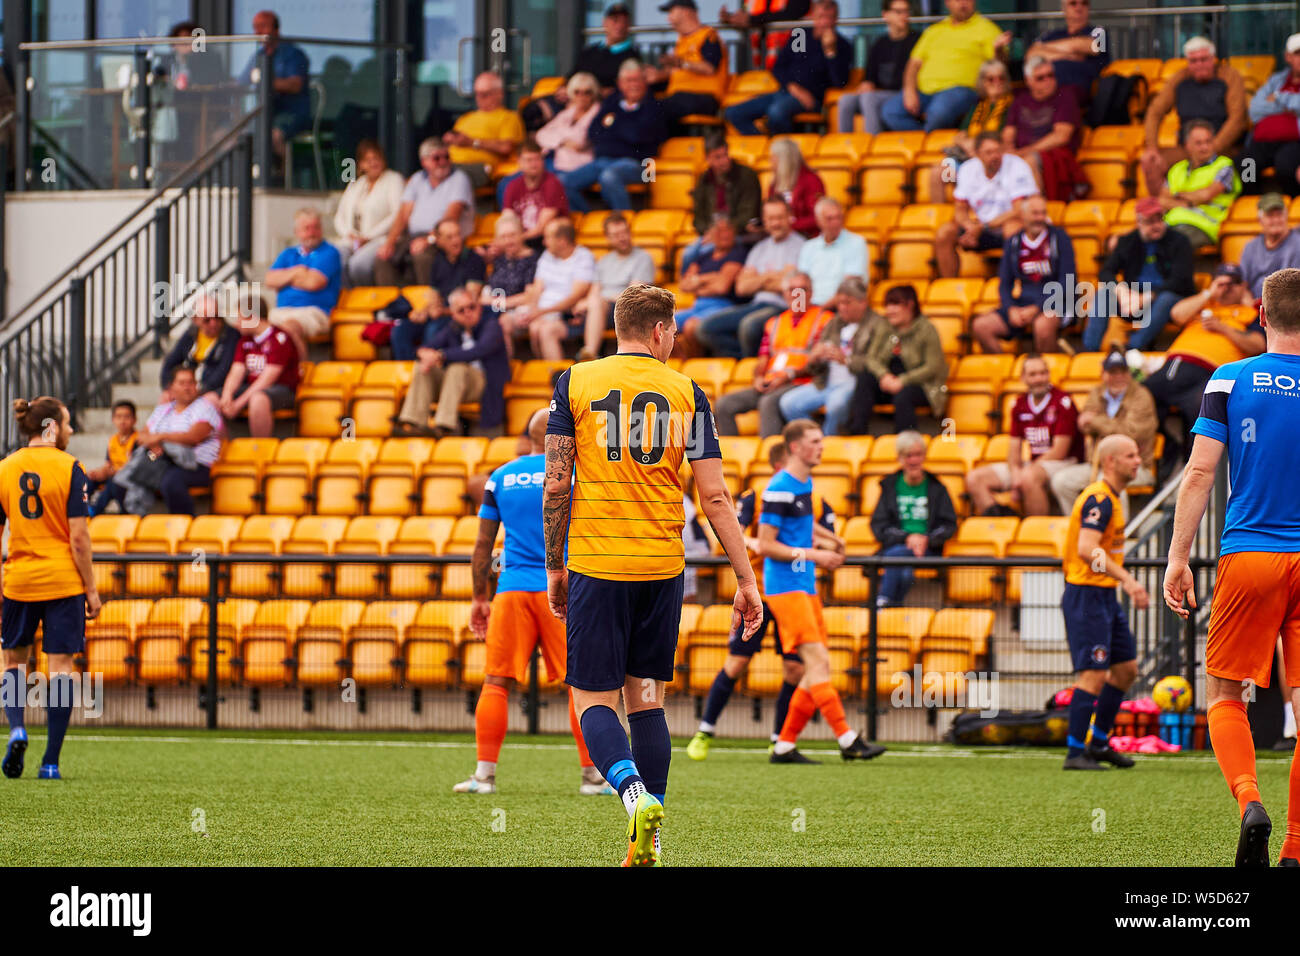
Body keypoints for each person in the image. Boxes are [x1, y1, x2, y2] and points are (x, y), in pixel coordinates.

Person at [543, 282, 763, 867]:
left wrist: (555, 566)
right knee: (647, 701)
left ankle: (632, 794)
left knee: (594, 697)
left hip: (597, 561)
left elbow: (558, 483)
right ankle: (652, 843)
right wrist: (746, 581)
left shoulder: (575, 381)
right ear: (661, 332)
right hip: (662, 567)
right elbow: (715, 497)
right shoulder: (688, 391)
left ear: (618, 327)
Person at [1164, 268, 1300, 866]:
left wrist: (1177, 558)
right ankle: (1296, 847)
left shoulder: (1228, 377)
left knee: (1223, 691)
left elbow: (1198, 474)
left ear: (1261, 317)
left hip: (1248, 553)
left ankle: (1250, 801)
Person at [453, 409, 612, 796]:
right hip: (566, 590)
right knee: (582, 686)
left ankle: (484, 777)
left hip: (511, 589)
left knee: (496, 682)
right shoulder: (578, 474)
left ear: (528, 437)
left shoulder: (501, 476)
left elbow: (482, 546)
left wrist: (479, 596)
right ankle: (593, 777)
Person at [686, 438, 845, 760]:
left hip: (791, 591)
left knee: (794, 669)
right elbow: (735, 531)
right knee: (738, 662)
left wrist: (831, 542)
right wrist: (757, 542)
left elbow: (808, 532)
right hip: (756, 588)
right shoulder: (759, 497)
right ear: (780, 465)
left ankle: (778, 739)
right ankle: (705, 730)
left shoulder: (814, 500)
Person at [762, 419, 885, 764]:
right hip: (786, 588)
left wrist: (830, 538)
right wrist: (818, 553)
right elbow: (768, 545)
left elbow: (800, 525)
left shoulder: (802, 483)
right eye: (815, 442)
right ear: (796, 447)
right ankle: (847, 738)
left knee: (816, 666)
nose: (821, 446)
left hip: (804, 584)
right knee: (818, 662)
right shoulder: (779, 488)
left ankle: (784, 745)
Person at [0, 396, 101, 782]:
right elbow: (79, 537)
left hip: (20, 581)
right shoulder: (71, 467)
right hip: (63, 582)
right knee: (60, 670)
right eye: (69, 424)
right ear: (52, 428)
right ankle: (50, 762)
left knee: (13, 662)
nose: (72, 431)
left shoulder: (5, 468)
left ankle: (17, 729)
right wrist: (91, 590)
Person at [1060, 434, 1149, 771]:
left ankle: (1098, 743)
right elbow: (1086, 548)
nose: (1138, 461)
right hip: (1086, 596)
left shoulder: (1112, 497)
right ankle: (1074, 753)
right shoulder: (1100, 498)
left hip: (1103, 595)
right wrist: (1127, 579)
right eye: (1130, 455)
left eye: (1137, 454)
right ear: (1111, 461)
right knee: (1093, 675)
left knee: (1126, 670)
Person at [1144, 270, 1265, 462]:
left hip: (1209, 372)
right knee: (1139, 397)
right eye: (1221, 282)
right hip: (1173, 365)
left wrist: (1221, 327)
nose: (1226, 288)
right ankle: (1165, 450)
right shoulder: (1203, 305)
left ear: (1243, 286)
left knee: (1204, 415)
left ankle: (1195, 468)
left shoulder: (1250, 313)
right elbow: (1176, 314)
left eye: (1232, 283)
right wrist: (1209, 293)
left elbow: (1258, 344)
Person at [715, 272, 834, 436]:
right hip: (771, 382)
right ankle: (728, 457)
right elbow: (763, 359)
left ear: (811, 293)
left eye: (802, 290)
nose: (797, 295)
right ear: (785, 294)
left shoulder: (825, 319)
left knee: (767, 402)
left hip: (802, 382)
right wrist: (758, 377)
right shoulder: (775, 323)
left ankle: (768, 455)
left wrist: (788, 375)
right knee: (724, 404)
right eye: (792, 289)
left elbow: (820, 363)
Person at [965, 354, 1083, 516]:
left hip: (1064, 462)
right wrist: (1015, 474)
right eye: (1033, 374)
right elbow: (1014, 448)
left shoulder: (1063, 402)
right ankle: (1001, 519)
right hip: (1035, 463)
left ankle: (1037, 531)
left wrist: (1022, 476)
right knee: (975, 478)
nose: (1039, 379)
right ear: (1023, 378)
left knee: (1028, 477)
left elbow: (1059, 451)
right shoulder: (1019, 404)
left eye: (1043, 373)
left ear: (1049, 375)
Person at [99, 367, 224, 516]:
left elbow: (193, 437)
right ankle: (134, 523)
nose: (187, 387)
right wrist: (155, 444)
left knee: (169, 480)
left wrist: (161, 438)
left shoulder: (204, 407)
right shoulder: (162, 410)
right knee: (123, 478)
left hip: (195, 465)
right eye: (182, 382)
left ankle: (184, 525)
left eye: (191, 382)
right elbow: (142, 435)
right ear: (171, 387)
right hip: (157, 458)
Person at [1049, 350, 1158, 514]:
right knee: (1061, 481)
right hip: (1096, 463)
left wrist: (1096, 421)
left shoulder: (1141, 396)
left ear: (1129, 373)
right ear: (1103, 374)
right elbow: (1083, 425)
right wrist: (1108, 425)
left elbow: (1130, 435)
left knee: (1109, 482)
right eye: (1113, 372)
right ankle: (1081, 528)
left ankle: (1119, 534)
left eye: (1123, 371)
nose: (1119, 377)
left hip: (1136, 466)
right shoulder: (1097, 392)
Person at [1081, 196, 1197, 352]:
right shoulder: (1128, 241)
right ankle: (1090, 350)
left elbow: (1181, 280)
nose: (1156, 226)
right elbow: (1106, 271)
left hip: (1168, 300)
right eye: (1150, 222)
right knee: (1104, 294)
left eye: (1159, 219)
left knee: (1165, 298)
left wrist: (1147, 297)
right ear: (1139, 222)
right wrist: (1121, 291)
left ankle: (1131, 348)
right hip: (1132, 300)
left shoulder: (1179, 241)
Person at [695, 198, 805, 359]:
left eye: (779, 218)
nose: (775, 223)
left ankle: (751, 367)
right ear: (764, 220)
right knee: (704, 328)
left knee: (749, 326)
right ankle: (744, 362)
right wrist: (772, 277)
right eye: (771, 219)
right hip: (756, 304)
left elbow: (788, 285)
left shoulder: (801, 246)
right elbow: (741, 287)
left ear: (790, 217)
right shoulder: (759, 248)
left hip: (783, 307)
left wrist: (758, 280)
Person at [724, 0, 851, 136]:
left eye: (829, 18)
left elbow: (839, 82)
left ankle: (781, 148)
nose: (824, 23)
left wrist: (830, 52)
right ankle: (767, 146)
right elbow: (779, 67)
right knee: (733, 113)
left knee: (776, 112)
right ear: (813, 16)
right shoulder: (802, 36)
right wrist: (793, 87)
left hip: (812, 100)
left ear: (836, 19)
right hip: (786, 91)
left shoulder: (842, 45)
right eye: (820, 17)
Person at [881, 0, 1011, 133]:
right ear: (947, 3)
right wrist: (909, 90)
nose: (963, 3)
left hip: (961, 90)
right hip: (924, 92)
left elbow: (998, 66)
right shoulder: (934, 30)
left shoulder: (987, 29)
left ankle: (924, 142)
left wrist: (999, 50)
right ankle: (924, 141)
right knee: (890, 111)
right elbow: (913, 64)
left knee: (938, 112)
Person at [1140, 37, 1248, 197]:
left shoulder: (1229, 76)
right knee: (1150, 161)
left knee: (1248, 164)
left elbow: (1237, 119)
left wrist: (1212, 147)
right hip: (1187, 148)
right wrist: (1152, 147)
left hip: (1224, 147)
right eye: (1193, 61)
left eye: (1204, 59)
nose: (1199, 65)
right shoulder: (1180, 79)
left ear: (1213, 59)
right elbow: (1155, 111)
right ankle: (1161, 210)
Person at [395, 288, 509, 439]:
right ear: (453, 314)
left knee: (457, 367)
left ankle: (443, 426)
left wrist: (441, 355)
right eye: (461, 310)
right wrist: (424, 354)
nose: (468, 312)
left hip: (485, 383)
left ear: (479, 307)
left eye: (472, 307)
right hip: (456, 385)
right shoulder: (452, 328)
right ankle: (413, 422)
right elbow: (427, 347)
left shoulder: (491, 325)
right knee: (422, 367)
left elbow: (478, 351)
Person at [970, 194, 1076, 353]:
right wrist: (1011, 308)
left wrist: (1037, 307)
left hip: (1056, 302)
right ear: (1023, 216)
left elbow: (1067, 282)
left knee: (1042, 327)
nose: (1040, 218)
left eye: (1043, 213)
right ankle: (1007, 372)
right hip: (1023, 302)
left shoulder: (1059, 238)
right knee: (981, 326)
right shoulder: (1013, 242)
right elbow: (1004, 284)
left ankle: (1046, 371)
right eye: (1035, 213)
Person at [560, 61, 669, 214]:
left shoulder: (654, 106)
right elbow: (593, 132)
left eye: (637, 80)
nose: (634, 85)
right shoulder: (611, 102)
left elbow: (637, 135)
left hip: (646, 164)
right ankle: (589, 219)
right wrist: (623, 128)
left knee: (609, 176)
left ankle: (623, 222)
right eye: (628, 81)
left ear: (645, 81)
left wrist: (613, 123)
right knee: (562, 182)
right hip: (605, 161)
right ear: (620, 83)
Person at [869, 429, 958, 607]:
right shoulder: (889, 486)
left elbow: (949, 525)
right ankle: (891, 609)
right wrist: (908, 538)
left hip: (929, 550)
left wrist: (926, 540)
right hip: (896, 547)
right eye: (909, 456)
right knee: (903, 571)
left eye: (918, 455)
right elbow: (879, 526)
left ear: (924, 456)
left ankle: (882, 602)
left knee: (895, 557)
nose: (914, 460)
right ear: (900, 458)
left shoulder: (937, 488)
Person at [778, 276, 875, 435]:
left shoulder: (876, 325)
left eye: (847, 303)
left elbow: (877, 363)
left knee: (836, 404)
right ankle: (818, 438)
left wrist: (846, 360)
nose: (842, 308)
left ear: (862, 302)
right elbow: (812, 366)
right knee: (788, 403)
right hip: (825, 381)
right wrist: (815, 357)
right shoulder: (833, 323)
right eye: (840, 303)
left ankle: (827, 443)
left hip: (853, 382)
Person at [848, 283, 947, 434]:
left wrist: (902, 381)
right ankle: (857, 434)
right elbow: (871, 358)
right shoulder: (884, 326)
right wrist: (884, 376)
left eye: (895, 304)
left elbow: (932, 366)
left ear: (910, 305)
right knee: (865, 380)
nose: (889, 310)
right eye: (887, 305)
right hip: (889, 383)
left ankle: (905, 440)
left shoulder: (927, 329)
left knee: (904, 395)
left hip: (921, 385)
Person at [935, 132, 1036, 278]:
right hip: (980, 228)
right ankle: (949, 286)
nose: (995, 156)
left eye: (998, 151)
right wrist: (969, 227)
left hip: (1007, 225)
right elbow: (960, 210)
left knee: (1012, 228)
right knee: (944, 233)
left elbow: (1019, 210)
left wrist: (982, 227)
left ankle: (1017, 283)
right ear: (977, 154)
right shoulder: (967, 169)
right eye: (989, 152)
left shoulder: (1017, 165)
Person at [375, 140, 475, 286]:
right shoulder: (417, 179)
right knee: (383, 257)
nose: (443, 162)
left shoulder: (459, 178)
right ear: (424, 162)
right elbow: (403, 215)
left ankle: (428, 303)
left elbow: (451, 218)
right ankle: (392, 304)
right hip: (413, 236)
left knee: (422, 256)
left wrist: (430, 239)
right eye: (436, 158)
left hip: (444, 238)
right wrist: (389, 243)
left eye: (446, 157)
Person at [506, 218, 596, 361]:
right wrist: (533, 310)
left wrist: (541, 312)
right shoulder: (547, 255)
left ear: (562, 241)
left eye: (547, 237)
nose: (544, 242)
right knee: (513, 322)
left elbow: (575, 297)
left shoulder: (583, 257)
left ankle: (558, 377)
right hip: (542, 312)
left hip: (567, 314)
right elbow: (537, 289)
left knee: (542, 330)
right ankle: (545, 373)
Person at [927, 59, 1013, 204]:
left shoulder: (1012, 105)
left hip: (993, 160)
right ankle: (941, 217)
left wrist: (980, 149)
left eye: (1001, 78)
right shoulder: (978, 107)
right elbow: (960, 135)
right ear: (983, 83)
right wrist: (969, 145)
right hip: (968, 158)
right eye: (991, 79)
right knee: (938, 172)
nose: (997, 82)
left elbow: (1007, 137)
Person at [1002, 55, 1086, 201]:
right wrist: (1008, 150)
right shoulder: (1020, 100)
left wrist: (1021, 153)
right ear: (1028, 81)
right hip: (1022, 154)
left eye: (1050, 75)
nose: (1048, 81)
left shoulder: (1065, 96)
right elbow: (1008, 134)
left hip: (1053, 157)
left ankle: (1035, 210)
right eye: (1040, 78)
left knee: (1029, 161)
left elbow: (1061, 136)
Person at [574, 212, 656, 361]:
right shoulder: (604, 261)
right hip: (600, 309)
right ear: (608, 238)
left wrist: (596, 301)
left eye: (625, 232)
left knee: (596, 303)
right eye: (616, 234)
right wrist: (585, 304)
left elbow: (633, 293)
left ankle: (589, 354)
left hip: (627, 309)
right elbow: (595, 290)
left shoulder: (643, 258)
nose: (622, 237)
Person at [264, 208, 342, 361]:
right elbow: (270, 280)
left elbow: (314, 282)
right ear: (296, 232)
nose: (312, 233)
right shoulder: (288, 253)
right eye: (307, 228)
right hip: (281, 310)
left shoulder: (330, 252)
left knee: (289, 328)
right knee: (249, 326)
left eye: (316, 228)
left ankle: (298, 374)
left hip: (315, 312)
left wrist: (285, 278)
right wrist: (298, 271)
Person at [219, 295, 300, 438]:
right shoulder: (245, 340)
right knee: (211, 399)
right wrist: (227, 394)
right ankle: (223, 453)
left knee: (258, 399)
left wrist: (238, 404)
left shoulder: (280, 338)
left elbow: (267, 380)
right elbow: (236, 371)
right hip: (253, 387)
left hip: (282, 390)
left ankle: (260, 450)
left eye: (239, 319)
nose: (237, 324)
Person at [643, 0, 728, 131]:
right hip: (680, 96)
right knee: (639, 102)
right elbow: (678, 72)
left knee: (655, 109)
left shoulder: (708, 35)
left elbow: (710, 68)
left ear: (686, 11)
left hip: (704, 96)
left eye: (671, 11)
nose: (668, 17)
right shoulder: (682, 41)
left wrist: (680, 63)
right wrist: (657, 76)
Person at [837, 0, 919, 134]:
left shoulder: (916, 40)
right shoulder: (880, 43)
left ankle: (873, 145)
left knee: (869, 98)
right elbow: (869, 76)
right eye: (898, 12)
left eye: (906, 11)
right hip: (883, 94)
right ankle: (844, 144)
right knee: (846, 100)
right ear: (885, 15)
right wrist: (866, 83)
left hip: (903, 93)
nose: (904, 16)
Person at [331, 140, 406, 286]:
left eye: (376, 159)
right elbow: (340, 216)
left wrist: (369, 236)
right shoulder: (356, 184)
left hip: (380, 239)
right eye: (368, 160)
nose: (373, 163)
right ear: (361, 164)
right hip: (353, 239)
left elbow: (397, 214)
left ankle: (365, 300)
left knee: (358, 265)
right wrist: (348, 233)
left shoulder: (393, 180)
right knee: (334, 259)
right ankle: (346, 300)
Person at [1158, 119, 1241, 250]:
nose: (1205, 147)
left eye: (1208, 142)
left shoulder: (1224, 166)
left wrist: (1176, 195)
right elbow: (1161, 200)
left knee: (1168, 246)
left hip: (1201, 226)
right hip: (1169, 223)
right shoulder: (1177, 169)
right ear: (1187, 145)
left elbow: (1206, 194)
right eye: (1199, 143)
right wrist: (1189, 202)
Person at [683, 133, 762, 270]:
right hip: (711, 232)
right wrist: (708, 232)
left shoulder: (747, 176)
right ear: (708, 159)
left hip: (738, 233)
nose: (724, 160)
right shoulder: (704, 179)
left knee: (702, 254)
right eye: (718, 157)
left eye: (725, 155)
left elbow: (749, 213)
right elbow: (698, 216)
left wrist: (723, 232)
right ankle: (686, 289)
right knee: (688, 254)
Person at [239, 10, 310, 163]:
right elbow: (243, 82)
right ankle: (247, 176)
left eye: (263, 26)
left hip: (291, 112)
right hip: (263, 113)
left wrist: (266, 82)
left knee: (273, 136)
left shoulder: (293, 54)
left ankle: (285, 181)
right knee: (236, 134)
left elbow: (295, 85)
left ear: (276, 30)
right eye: (255, 27)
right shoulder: (258, 55)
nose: (258, 32)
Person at [1240, 35, 1300, 198]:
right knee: (1247, 164)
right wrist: (1289, 109)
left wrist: (1280, 98)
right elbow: (1256, 109)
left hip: (1293, 142)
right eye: (1298, 53)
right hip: (1262, 141)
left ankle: (1292, 205)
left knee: (1286, 166)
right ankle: (1251, 201)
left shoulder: (1276, 90)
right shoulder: (1276, 80)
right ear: (1288, 57)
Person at [674, 216, 747, 349]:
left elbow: (721, 287)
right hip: (698, 305)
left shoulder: (737, 254)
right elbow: (684, 284)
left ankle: (696, 363)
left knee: (691, 327)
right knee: (666, 324)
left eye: (728, 230)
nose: (724, 235)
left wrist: (699, 280)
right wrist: (715, 277)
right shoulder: (703, 257)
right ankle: (682, 362)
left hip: (723, 306)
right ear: (711, 234)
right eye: (719, 231)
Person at [443, 71, 524, 189]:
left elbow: (506, 147)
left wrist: (471, 142)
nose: (479, 98)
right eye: (477, 94)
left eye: (485, 94)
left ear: (499, 94)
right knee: (421, 177)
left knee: (449, 176)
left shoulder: (508, 117)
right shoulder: (466, 118)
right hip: (451, 164)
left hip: (480, 168)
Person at [1025, 0, 1110, 108]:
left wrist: (1045, 49)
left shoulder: (1100, 32)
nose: (1079, 8)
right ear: (1064, 8)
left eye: (1084, 3)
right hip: (1046, 90)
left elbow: (1093, 47)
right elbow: (1031, 53)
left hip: (1082, 93)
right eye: (1073, 3)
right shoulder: (1053, 34)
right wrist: (1069, 56)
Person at [159, 294, 240, 405]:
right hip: (191, 385)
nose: (214, 323)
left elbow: (223, 370)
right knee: (166, 398)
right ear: (195, 319)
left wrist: (198, 391)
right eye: (207, 320)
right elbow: (170, 362)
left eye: (217, 317)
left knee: (205, 402)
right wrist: (168, 388)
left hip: (215, 389)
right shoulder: (191, 334)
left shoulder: (231, 336)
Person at [796, 197, 867, 306]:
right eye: (829, 219)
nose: (836, 223)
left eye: (838, 217)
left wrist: (820, 311)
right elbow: (800, 283)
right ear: (818, 221)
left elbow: (849, 287)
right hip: (810, 308)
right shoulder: (808, 247)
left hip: (840, 307)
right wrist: (799, 310)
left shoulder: (856, 243)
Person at [501, 139, 569, 248]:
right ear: (519, 162)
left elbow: (540, 228)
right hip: (521, 241)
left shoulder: (552, 183)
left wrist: (513, 241)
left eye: (537, 159)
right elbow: (506, 219)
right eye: (529, 160)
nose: (534, 164)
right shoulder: (513, 185)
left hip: (544, 241)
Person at [531, 72, 601, 179]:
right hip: (558, 163)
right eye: (577, 92)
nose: (581, 96)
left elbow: (580, 142)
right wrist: (563, 141)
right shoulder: (569, 112)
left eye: (587, 92)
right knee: (513, 180)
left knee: (552, 184)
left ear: (593, 94)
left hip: (580, 166)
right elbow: (541, 135)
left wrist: (558, 134)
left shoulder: (597, 112)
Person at [1240, 193, 1300, 298]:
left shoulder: (1297, 244)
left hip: (1286, 307)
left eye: (1279, 214)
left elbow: (1294, 291)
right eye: (1270, 216)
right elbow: (1243, 285)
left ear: (1286, 216)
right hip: (1255, 307)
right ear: (1260, 220)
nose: (1276, 220)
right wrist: (1248, 302)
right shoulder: (1250, 247)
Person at [478, 212, 540, 313]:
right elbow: (493, 287)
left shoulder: (532, 259)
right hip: (496, 309)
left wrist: (499, 303)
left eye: (512, 235)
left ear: (521, 234)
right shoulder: (500, 258)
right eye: (503, 237)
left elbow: (529, 296)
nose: (508, 241)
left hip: (519, 311)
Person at [86, 400, 138, 516]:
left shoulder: (137, 440)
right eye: (119, 417)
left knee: (113, 482)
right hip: (113, 472)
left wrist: (111, 472)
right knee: (88, 478)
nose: (122, 421)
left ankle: (95, 510)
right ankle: (82, 507)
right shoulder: (113, 440)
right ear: (113, 420)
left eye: (127, 417)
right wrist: (99, 472)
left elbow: (134, 467)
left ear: (134, 420)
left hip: (127, 477)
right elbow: (108, 463)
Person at [768, 137, 825, 239]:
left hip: (806, 236)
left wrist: (789, 226)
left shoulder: (811, 181)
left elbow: (817, 217)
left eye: (774, 157)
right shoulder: (775, 183)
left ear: (784, 159)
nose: (770, 160)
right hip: (781, 234)